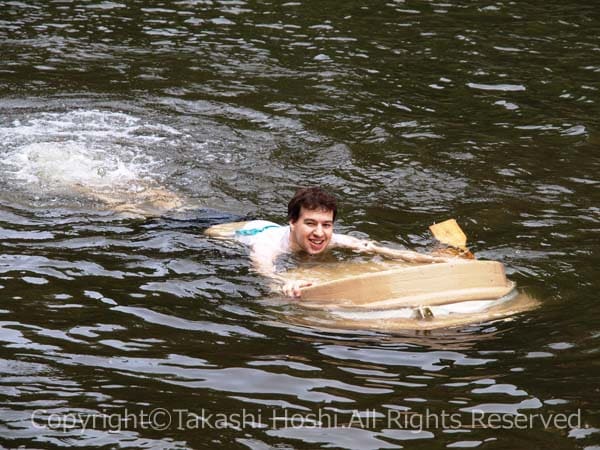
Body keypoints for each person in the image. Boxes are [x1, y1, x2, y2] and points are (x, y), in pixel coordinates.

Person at [235, 187, 451, 297]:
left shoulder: (335, 239)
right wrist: (284, 284)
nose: (320, 233)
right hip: (230, 229)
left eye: (326, 225)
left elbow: (381, 250)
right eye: (310, 223)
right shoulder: (268, 246)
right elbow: (263, 271)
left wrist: (432, 261)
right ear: (293, 222)